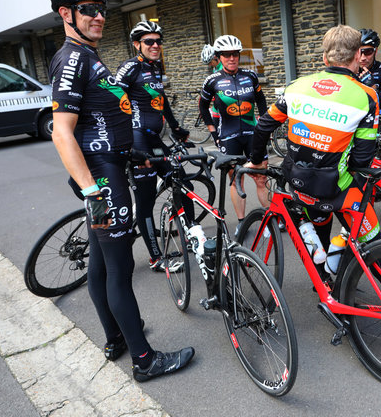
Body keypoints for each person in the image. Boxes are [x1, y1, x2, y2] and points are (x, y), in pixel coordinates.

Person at [48, 0, 194, 382]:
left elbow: (100, 116)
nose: (99, 17)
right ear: (66, 14)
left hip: (110, 165)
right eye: (88, 10)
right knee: (119, 268)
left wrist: (134, 151)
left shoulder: (87, 55)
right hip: (102, 175)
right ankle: (145, 360)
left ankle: (116, 337)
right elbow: (62, 131)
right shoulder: (74, 58)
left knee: (99, 264)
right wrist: (94, 190)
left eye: (101, 9)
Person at [245, 24, 381, 302]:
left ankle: (322, 281)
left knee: (319, 227)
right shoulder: (365, 95)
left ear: (324, 59)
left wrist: (257, 163)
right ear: (356, 58)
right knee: (372, 237)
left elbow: (262, 127)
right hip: (341, 187)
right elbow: (362, 157)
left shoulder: (296, 86)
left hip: (300, 181)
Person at [115, 20, 194, 272]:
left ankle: (191, 236)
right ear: (137, 44)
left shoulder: (155, 67)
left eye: (158, 41)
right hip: (137, 139)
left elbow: (163, 102)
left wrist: (177, 128)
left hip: (154, 138)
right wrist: (123, 143)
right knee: (146, 201)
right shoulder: (130, 67)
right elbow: (113, 102)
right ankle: (156, 257)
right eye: (149, 41)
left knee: (182, 181)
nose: (155, 45)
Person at [198, 35, 269, 229]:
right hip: (228, 136)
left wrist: (264, 123)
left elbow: (261, 100)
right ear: (219, 57)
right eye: (227, 55)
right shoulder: (212, 80)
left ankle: (272, 218)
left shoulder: (250, 75)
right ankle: (241, 222)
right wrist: (213, 133)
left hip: (253, 134)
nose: (232, 58)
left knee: (262, 178)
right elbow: (203, 108)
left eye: (235, 54)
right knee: (236, 178)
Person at [357, 28, 381, 115]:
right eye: (359, 52)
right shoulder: (349, 70)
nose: (363, 58)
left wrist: (373, 88)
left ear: (376, 51)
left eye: (368, 52)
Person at [200, 43, 222, 128]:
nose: (209, 65)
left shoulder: (224, 68)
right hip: (216, 107)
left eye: (210, 62)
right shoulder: (215, 68)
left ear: (215, 57)